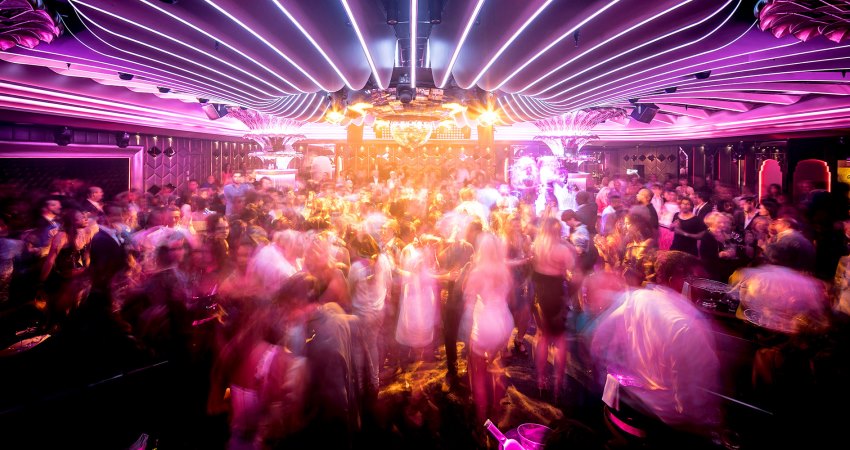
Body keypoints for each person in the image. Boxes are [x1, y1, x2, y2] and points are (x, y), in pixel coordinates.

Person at [463, 232, 514, 422]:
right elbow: (508, 296)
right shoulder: (504, 269)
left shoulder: (477, 271)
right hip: (504, 321)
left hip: (485, 323)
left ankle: (482, 415)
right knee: (497, 365)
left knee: (478, 371)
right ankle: (496, 409)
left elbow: (468, 298)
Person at [531, 217, 576, 399]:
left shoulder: (536, 246)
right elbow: (573, 271)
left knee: (542, 336)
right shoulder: (562, 250)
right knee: (560, 339)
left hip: (539, 295)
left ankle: (541, 380)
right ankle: (558, 382)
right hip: (556, 294)